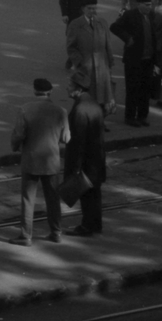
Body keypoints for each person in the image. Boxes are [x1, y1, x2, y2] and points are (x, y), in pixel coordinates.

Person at [10, 77, 70, 245]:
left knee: (28, 199)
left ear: (35, 91)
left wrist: (15, 146)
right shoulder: (61, 111)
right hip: (51, 160)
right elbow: (66, 138)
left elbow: (19, 135)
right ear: (50, 92)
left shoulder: (25, 109)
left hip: (31, 159)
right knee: (53, 198)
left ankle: (26, 235)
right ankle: (56, 232)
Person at [64, 84, 107, 236]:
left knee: (87, 195)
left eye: (69, 86)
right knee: (94, 194)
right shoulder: (92, 103)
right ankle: (95, 225)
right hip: (97, 158)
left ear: (78, 89)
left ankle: (87, 226)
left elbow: (77, 142)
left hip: (86, 162)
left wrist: (75, 167)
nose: (66, 88)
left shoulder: (80, 110)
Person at [111, 0, 157, 127]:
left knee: (145, 88)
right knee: (133, 89)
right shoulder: (130, 15)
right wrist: (128, 38)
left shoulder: (152, 15)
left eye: (150, 5)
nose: (150, 7)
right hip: (134, 59)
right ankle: (130, 117)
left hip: (148, 59)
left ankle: (142, 116)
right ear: (139, 4)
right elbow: (114, 27)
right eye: (147, 5)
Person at [65, 0, 116, 117]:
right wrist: (79, 62)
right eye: (89, 8)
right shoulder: (76, 24)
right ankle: (85, 120)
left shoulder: (102, 22)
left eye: (94, 8)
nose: (92, 11)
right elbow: (71, 47)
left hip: (102, 66)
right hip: (86, 67)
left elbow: (108, 44)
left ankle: (100, 121)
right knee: (87, 95)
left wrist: (110, 63)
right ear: (83, 9)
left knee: (103, 95)